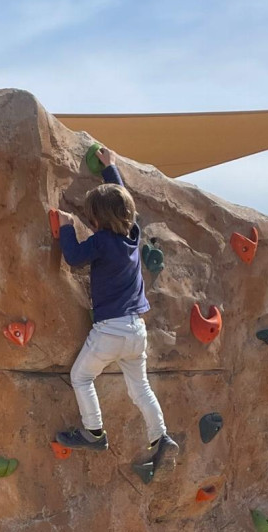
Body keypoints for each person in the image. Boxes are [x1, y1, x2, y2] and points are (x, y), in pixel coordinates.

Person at [52, 145, 178, 472]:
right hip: (137, 331)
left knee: (81, 377)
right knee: (140, 388)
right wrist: (110, 169)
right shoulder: (132, 234)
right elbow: (126, 206)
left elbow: (75, 258)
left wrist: (66, 226)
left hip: (110, 330)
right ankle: (160, 435)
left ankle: (93, 431)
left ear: (96, 219)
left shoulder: (101, 241)